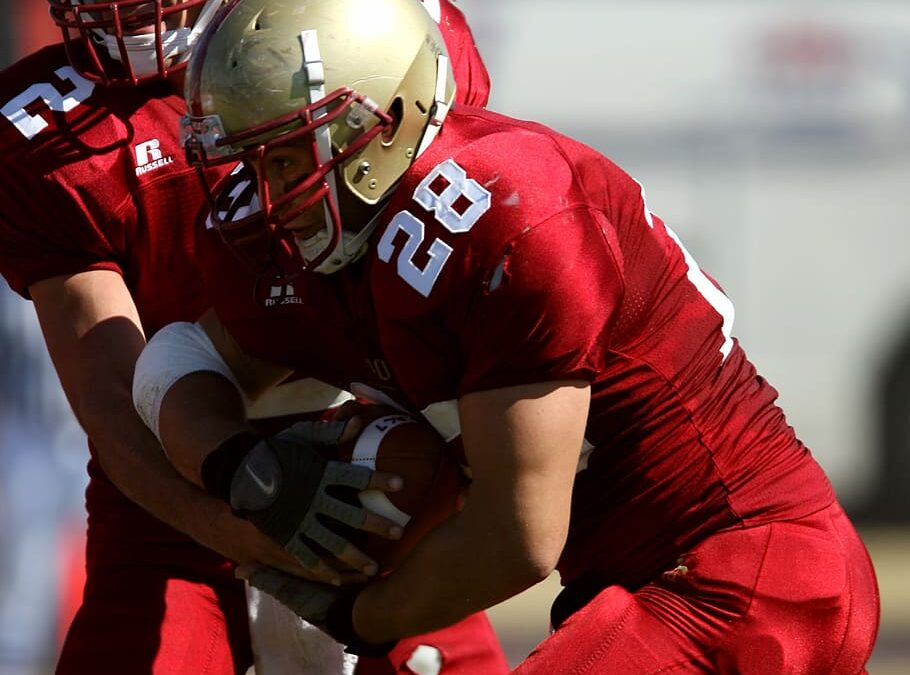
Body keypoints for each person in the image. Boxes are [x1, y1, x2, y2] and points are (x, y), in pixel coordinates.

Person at [133, 0, 882, 671]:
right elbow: (179, 360)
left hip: (745, 571)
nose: (265, 194)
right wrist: (237, 464)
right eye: (251, 157)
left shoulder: (507, 214)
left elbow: (517, 537)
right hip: (620, 582)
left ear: (384, 121)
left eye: (289, 154)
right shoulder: (321, 236)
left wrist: (360, 616)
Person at [0, 1, 507, 673]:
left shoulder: (370, 26)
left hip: (386, 474)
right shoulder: (46, 127)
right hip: (177, 495)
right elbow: (117, 400)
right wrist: (248, 519)